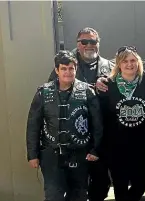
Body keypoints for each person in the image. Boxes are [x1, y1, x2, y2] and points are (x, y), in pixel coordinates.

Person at [26, 50, 103, 201]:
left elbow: (97, 124)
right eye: (63, 68)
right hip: (51, 153)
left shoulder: (87, 91)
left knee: (79, 194)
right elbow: (33, 125)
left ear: (75, 69)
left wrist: (95, 149)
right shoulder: (43, 92)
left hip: (80, 153)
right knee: (54, 195)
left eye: (71, 68)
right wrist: (33, 154)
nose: (68, 72)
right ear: (57, 70)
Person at [49, 27, 114, 201]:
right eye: (84, 41)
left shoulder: (110, 67)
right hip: (74, 138)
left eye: (93, 41)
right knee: (75, 186)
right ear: (77, 44)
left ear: (98, 44)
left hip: (102, 135)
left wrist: (108, 83)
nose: (89, 45)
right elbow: (52, 97)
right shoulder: (66, 64)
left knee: (101, 182)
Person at [97, 46, 145, 201]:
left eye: (133, 60)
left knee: (141, 183)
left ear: (138, 62)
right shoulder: (108, 84)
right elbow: (101, 115)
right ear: (118, 64)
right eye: (125, 61)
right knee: (120, 185)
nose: (129, 64)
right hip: (116, 144)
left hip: (139, 143)